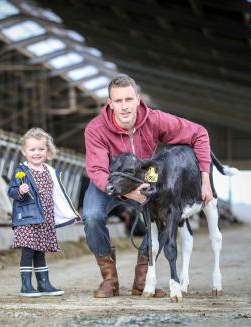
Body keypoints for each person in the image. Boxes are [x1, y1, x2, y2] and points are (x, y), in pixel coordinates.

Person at [83, 74, 213, 298]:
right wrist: (127, 194)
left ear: (138, 99)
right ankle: (109, 279)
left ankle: (143, 279)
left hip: (145, 183)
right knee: (92, 216)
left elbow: (199, 134)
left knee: (165, 215)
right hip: (110, 183)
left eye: (128, 99)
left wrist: (205, 178)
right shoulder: (95, 129)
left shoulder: (155, 119)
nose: (124, 106)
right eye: (118, 101)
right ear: (109, 103)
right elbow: (96, 170)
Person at [8, 127, 81, 297]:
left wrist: (70, 214)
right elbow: (11, 191)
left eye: (41, 149)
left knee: (40, 250)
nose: (37, 153)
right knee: (28, 250)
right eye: (32, 149)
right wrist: (20, 191)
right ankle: (26, 285)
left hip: (45, 220)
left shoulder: (50, 171)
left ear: (48, 150)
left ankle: (44, 284)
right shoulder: (22, 171)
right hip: (27, 219)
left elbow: (59, 196)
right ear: (24, 151)